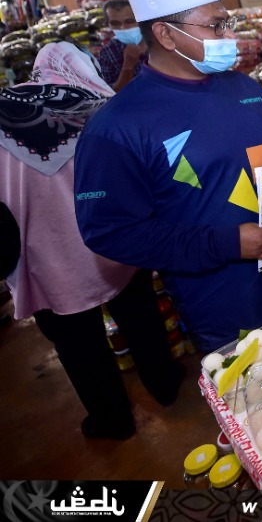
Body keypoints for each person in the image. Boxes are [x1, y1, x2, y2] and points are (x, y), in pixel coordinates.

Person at [74, 0, 262, 353]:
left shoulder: (245, 87)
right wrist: (227, 243)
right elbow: (110, 232)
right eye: (215, 26)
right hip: (224, 302)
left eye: (227, 22)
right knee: (257, 404)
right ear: (167, 35)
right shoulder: (117, 128)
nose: (229, 35)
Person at [2, 42, 184, 440]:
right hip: (113, 239)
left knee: (77, 343)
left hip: (45, 255)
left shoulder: (3, 111)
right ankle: (165, 385)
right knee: (140, 314)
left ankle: (112, 420)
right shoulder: (102, 106)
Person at [95, 0, 147, 92]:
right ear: (108, 25)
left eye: (129, 21)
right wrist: (128, 65)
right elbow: (111, 94)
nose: (123, 28)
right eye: (115, 23)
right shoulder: (108, 53)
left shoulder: (159, 41)